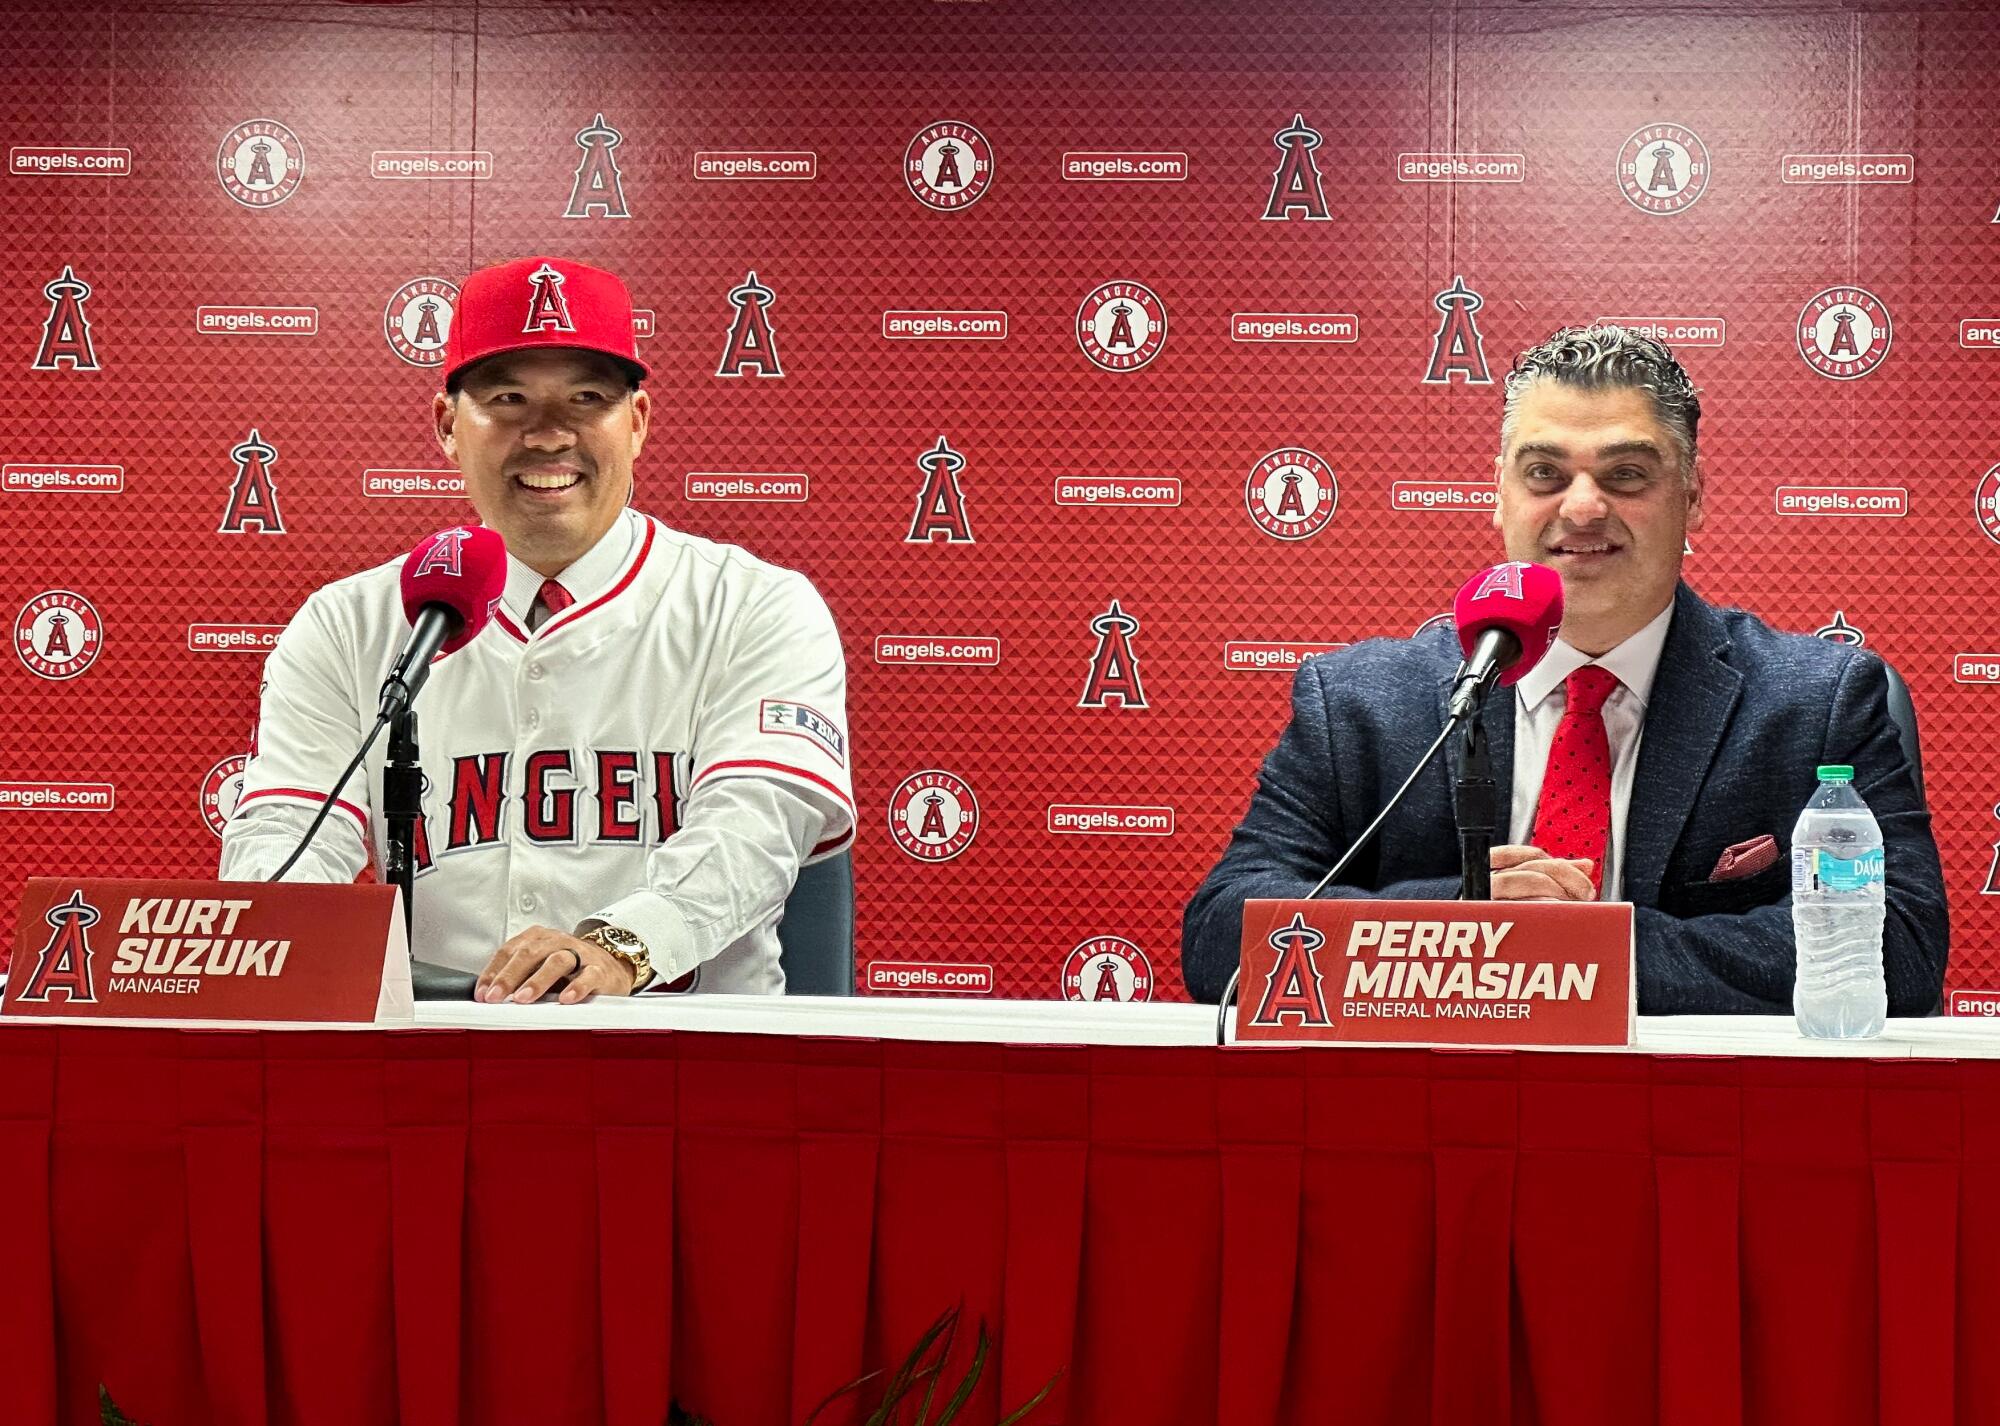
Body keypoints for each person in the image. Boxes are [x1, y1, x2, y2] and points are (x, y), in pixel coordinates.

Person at [1182, 324, 1947, 1014]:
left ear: (1694, 495)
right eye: (1545, 473)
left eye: (1626, 475)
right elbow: (1222, 936)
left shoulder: (1818, 703)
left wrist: (1574, 955)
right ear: (1500, 494)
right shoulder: (1358, 704)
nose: (1582, 509)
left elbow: (1900, 949)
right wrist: (1458, 921)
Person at [220, 256, 854, 1002]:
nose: (549, 435)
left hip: (686, 1063)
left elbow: (754, 827)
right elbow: (288, 834)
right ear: (447, 425)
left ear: (638, 423)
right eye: (509, 398)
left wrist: (621, 949)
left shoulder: (754, 606)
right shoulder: (347, 623)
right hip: (437, 1067)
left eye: (587, 398)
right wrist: (277, 939)